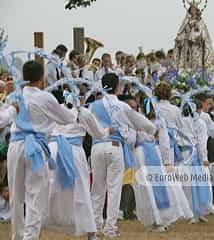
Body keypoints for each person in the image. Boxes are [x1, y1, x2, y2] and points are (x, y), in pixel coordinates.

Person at [7, 60, 76, 240]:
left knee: (16, 195)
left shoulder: (15, 94)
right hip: (35, 147)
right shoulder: (45, 97)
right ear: (41, 77)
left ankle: (17, 235)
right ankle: (30, 237)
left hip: (15, 145)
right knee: (35, 194)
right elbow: (67, 119)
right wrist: (70, 105)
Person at [90, 73, 157, 238]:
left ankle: (94, 227)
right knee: (114, 189)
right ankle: (110, 228)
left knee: (97, 189)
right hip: (114, 147)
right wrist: (152, 129)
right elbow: (139, 121)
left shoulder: (93, 106)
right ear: (117, 87)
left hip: (96, 146)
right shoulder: (122, 106)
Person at [46, 92, 111, 240]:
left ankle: (37, 226)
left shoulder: (55, 109)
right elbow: (99, 134)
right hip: (73, 151)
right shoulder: (83, 112)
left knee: (49, 188)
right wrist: (109, 130)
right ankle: (91, 233)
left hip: (53, 150)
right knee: (81, 189)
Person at [133, 99, 193, 232]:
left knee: (146, 188)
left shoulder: (137, 120)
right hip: (154, 153)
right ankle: (160, 218)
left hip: (141, 154)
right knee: (161, 186)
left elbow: (132, 139)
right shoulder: (159, 122)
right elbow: (165, 143)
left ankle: (153, 219)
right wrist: (167, 162)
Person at [174, 2, 214, 71]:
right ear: (189, 10)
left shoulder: (200, 21)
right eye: (191, 9)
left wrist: (200, 38)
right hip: (187, 46)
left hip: (197, 46)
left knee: (197, 62)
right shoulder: (186, 21)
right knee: (187, 62)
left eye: (194, 9)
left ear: (197, 10)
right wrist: (180, 38)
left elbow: (203, 33)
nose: (193, 11)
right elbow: (182, 32)